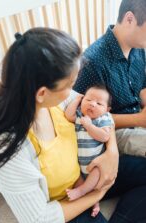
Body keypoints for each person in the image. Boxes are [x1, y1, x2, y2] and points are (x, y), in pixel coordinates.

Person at [0, 27, 146, 223]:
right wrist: (94, 195)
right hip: (65, 201)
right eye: (70, 85)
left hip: (88, 173)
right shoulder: (10, 147)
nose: (75, 92)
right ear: (42, 93)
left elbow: (103, 115)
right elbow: (39, 218)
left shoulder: (62, 100)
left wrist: (112, 152)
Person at [73, 0, 146, 157]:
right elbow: (84, 116)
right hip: (111, 132)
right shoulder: (93, 62)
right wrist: (139, 119)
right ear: (129, 19)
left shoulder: (138, 47)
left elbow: (142, 86)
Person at [65, 85, 114, 217]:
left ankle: (82, 192)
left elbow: (104, 136)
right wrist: (76, 100)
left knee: (94, 175)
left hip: (95, 163)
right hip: (80, 166)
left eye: (99, 103)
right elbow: (68, 116)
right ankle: (94, 203)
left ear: (107, 109)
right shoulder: (80, 116)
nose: (92, 104)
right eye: (88, 100)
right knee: (78, 179)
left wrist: (89, 125)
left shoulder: (103, 119)